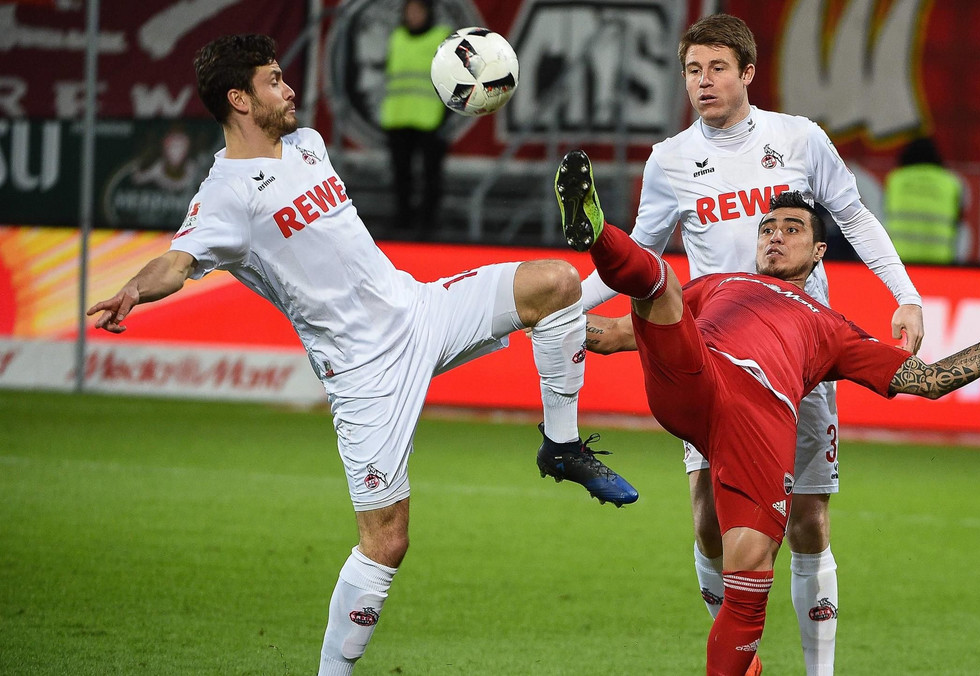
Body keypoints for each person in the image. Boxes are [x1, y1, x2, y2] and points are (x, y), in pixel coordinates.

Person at [85, 34, 637, 676]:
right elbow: (177, 262)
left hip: (421, 310)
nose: (288, 89)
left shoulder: (308, 144)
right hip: (363, 375)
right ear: (238, 99)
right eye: (272, 81)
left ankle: (561, 445)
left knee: (557, 284)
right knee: (387, 541)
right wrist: (133, 288)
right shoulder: (225, 196)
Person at [557, 149, 980, 676]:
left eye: (791, 229)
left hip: (760, 427)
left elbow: (931, 380)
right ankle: (596, 229)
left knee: (748, 586)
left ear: (819, 250)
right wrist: (537, 319)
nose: (775, 237)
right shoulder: (720, 284)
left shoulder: (832, 327)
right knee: (660, 286)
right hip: (698, 376)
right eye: (768, 229)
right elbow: (614, 335)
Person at [576, 14, 924, 675]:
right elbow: (641, 257)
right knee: (708, 521)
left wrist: (903, 293)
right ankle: (743, 656)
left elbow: (851, 214)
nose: (702, 82)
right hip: (712, 357)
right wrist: (564, 300)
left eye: (715, 68)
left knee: (809, 523)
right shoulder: (671, 159)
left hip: (800, 353)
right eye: (691, 70)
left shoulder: (799, 138)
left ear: (747, 73)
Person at [379, 0, 451, 240]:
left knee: (431, 175)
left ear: (428, 12)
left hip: (430, 118)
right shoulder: (397, 36)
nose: (413, 15)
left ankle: (429, 223)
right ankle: (403, 219)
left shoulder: (440, 38)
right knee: (401, 174)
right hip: (397, 116)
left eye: (418, 10)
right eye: (409, 10)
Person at [883, 136, 964, 264]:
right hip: (939, 261)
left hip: (899, 260)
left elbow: (886, 213)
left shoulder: (895, 180)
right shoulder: (950, 182)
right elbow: (958, 220)